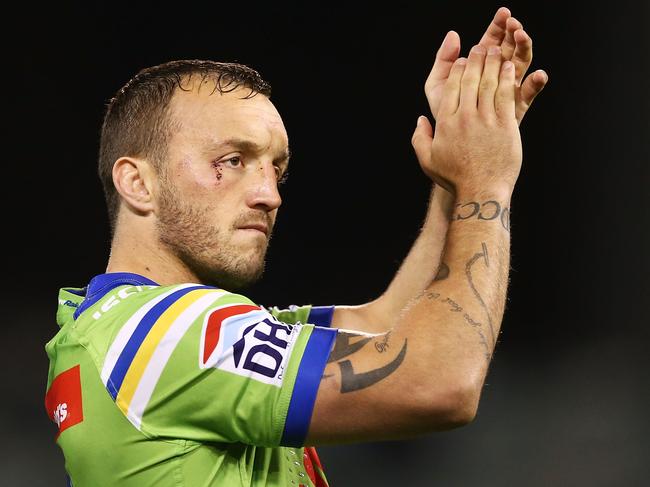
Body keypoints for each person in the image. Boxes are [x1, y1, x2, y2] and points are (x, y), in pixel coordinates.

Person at [44, 7, 547, 486]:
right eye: (233, 160)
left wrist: (456, 178)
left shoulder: (137, 331)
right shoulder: (160, 334)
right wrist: (486, 182)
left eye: (276, 169)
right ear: (137, 183)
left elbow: (387, 326)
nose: (270, 195)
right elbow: (438, 382)